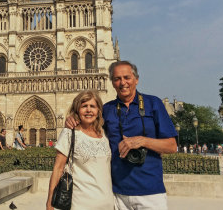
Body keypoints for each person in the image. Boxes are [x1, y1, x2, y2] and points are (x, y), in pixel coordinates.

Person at [66, 61, 177, 210]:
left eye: (127, 77)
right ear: (112, 82)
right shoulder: (107, 109)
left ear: (136, 79)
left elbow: (172, 146)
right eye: (117, 79)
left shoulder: (153, 103)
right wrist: (73, 119)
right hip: (118, 194)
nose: (122, 82)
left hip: (150, 193)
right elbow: (89, 131)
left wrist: (142, 141)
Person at [47, 90, 114, 210]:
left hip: (107, 204)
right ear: (77, 110)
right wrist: (49, 205)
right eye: (84, 106)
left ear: (98, 110)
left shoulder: (104, 134)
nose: (89, 110)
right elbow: (58, 168)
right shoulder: (70, 133)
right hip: (80, 204)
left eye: (92, 106)